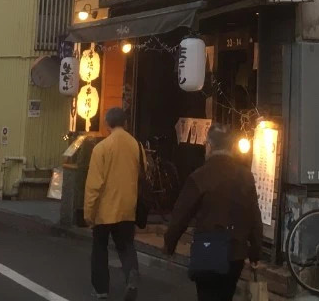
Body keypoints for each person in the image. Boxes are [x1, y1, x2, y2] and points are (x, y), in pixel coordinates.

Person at [164, 123, 263, 301]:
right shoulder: (246, 177)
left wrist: (169, 244)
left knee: (207, 295)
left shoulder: (200, 176)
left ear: (209, 145)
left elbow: (181, 215)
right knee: (226, 295)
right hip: (236, 252)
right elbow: (254, 217)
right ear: (232, 147)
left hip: (208, 249)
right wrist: (255, 251)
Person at [84, 107, 141, 301]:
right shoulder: (136, 146)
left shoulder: (101, 148)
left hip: (104, 208)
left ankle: (101, 289)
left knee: (100, 248)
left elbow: (94, 185)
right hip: (127, 206)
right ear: (125, 123)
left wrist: (88, 213)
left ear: (107, 124)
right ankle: (131, 274)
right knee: (126, 246)